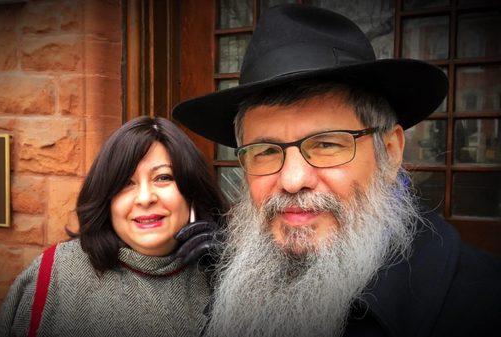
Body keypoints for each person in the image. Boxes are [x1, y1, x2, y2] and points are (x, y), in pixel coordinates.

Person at [173, 4, 501, 337]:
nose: (292, 180)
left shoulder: (481, 306)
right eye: (266, 151)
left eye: (327, 145)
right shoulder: (228, 282)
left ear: (389, 152)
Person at [0, 116, 226, 337]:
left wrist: (225, 272)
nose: (145, 198)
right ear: (107, 199)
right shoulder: (56, 274)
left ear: (192, 192)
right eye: (126, 182)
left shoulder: (228, 275)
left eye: (163, 177)